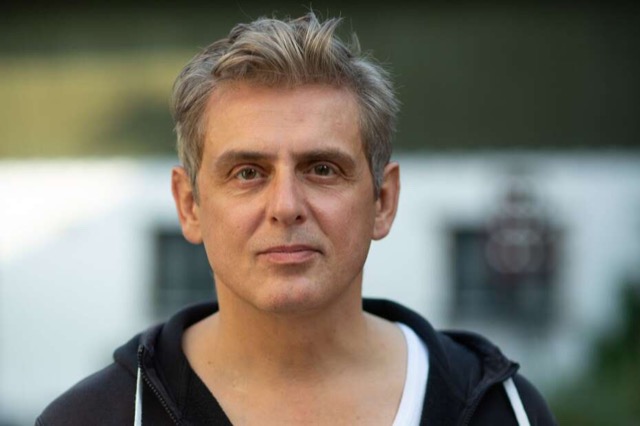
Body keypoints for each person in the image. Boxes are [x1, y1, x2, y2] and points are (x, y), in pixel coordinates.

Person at [37, 13, 556, 426]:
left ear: (382, 200)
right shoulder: (93, 418)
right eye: (247, 172)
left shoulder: (505, 412)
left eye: (322, 168)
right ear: (190, 205)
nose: (286, 205)